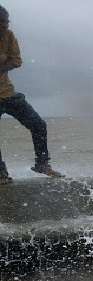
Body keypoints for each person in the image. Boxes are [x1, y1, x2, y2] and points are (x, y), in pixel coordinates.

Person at [0, 5, 63, 185]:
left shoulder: (8, 36)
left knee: (38, 125)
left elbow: (16, 60)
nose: (6, 26)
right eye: (2, 23)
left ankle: (42, 164)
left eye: (7, 21)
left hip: (7, 93)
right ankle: (1, 173)